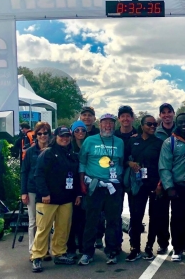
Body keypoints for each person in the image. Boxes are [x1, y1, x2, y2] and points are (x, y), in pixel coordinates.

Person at [31, 126, 82, 272]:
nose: (65, 139)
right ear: (56, 137)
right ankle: (37, 257)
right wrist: (44, 193)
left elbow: (75, 177)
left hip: (66, 199)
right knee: (43, 229)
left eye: (67, 136)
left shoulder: (71, 154)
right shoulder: (47, 153)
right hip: (47, 199)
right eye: (62, 136)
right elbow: (38, 174)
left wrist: (78, 194)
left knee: (63, 229)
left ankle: (59, 253)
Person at [78, 113, 125, 266]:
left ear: (114, 125)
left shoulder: (119, 142)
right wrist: (82, 183)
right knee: (91, 220)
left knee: (113, 220)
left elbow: (121, 162)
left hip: (113, 187)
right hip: (95, 186)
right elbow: (82, 162)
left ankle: (111, 251)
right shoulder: (90, 141)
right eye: (105, 123)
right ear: (100, 125)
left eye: (111, 123)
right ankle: (87, 252)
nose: (108, 126)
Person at [124, 115, 170, 262]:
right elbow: (123, 158)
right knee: (136, 216)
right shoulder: (133, 141)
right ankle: (135, 248)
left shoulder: (159, 143)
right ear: (142, 125)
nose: (152, 127)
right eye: (149, 124)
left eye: (154, 124)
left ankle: (149, 246)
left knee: (155, 217)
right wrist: (130, 163)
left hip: (154, 184)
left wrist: (160, 184)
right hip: (137, 185)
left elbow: (164, 165)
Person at [159, 113, 185, 262]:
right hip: (179, 186)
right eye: (181, 122)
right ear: (177, 123)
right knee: (178, 219)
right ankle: (178, 248)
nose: (184, 125)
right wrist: (169, 187)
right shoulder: (169, 142)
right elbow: (164, 166)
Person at [21, 121, 51, 262]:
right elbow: (24, 172)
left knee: (46, 221)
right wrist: (23, 192)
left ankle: (45, 250)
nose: (43, 136)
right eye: (40, 133)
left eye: (45, 133)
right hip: (32, 189)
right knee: (33, 221)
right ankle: (33, 251)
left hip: (48, 189)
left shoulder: (53, 150)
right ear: (36, 135)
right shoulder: (29, 152)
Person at [66, 120, 87, 259]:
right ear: (73, 132)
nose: (80, 132)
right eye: (77, 130)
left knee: (83, 218)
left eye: (83, 130)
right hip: (71, 186)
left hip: (85, 185)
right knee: (71, 218)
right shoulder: (68, 146)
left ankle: (83, 246)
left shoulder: (88, 145)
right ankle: (71, 247)